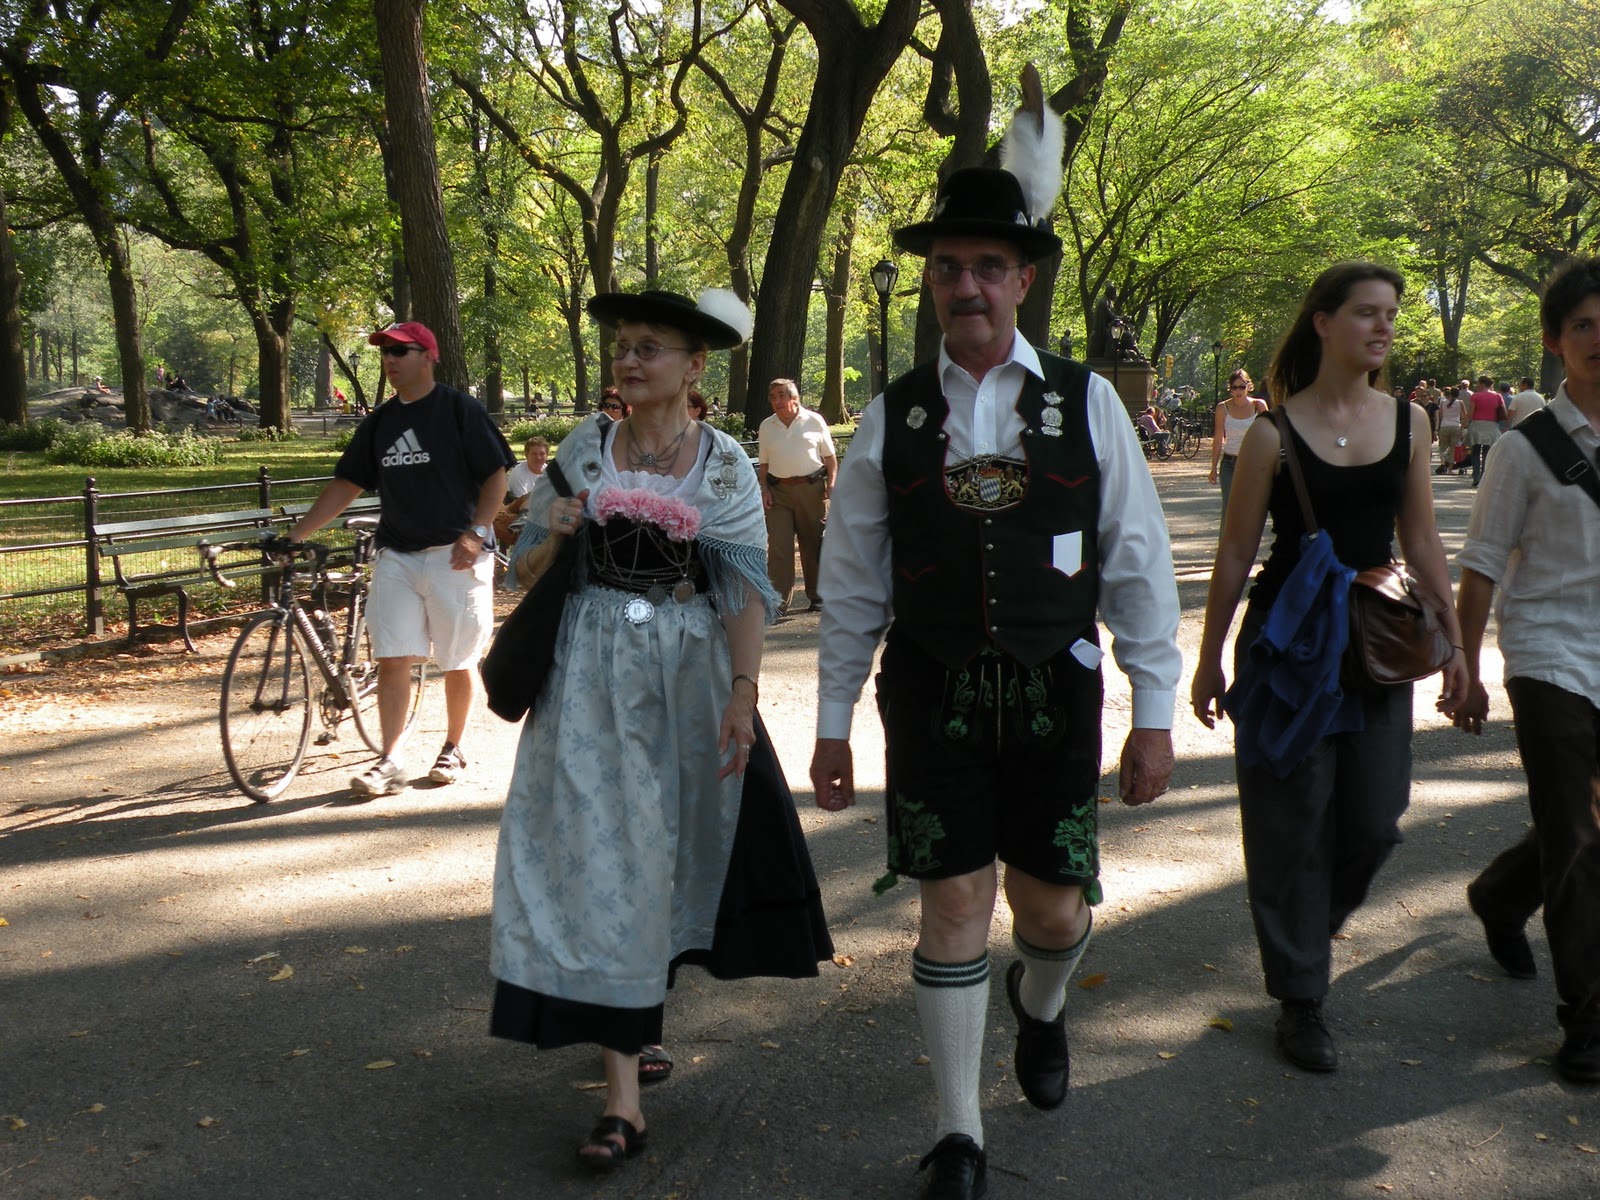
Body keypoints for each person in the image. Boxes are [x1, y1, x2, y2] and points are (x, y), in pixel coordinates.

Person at [810, 99, 1182, 1200]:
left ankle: (1044, 1002)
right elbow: (849, 585)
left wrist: (1153, 707)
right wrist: (829, 726)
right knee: (955, 899)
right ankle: (958, 1133)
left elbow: (1136, 563)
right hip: (929, 691)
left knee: (1053, 910)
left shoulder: (1085, 404)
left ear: (1023, 279)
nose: (963, 286)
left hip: (1056, 689)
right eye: (946, 269)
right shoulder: (893, 417)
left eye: (986, 266)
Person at [493, 287, 831, 1170]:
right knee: (605, 852)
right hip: (586, 676)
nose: (630, 360)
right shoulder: (579, 449)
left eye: (650, 347)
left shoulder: (721, 464)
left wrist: (744, 695)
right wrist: (554, 534)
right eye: (623, 346)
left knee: (666, 856)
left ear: (693, 367)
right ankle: (622, 1102)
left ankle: (637, 1006)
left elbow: (746, 591)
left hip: (686, 678)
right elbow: (521, 570)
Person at [1190, 262, 1468, 1074]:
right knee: (1287, 822)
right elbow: (1237, 552)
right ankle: (1301, 997)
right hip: (1287, 645)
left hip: (1375, 641)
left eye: (1390, 315)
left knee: (1376, 817)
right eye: (1365, 314)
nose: (1383, 328)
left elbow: (1420, 541)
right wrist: (1209, 660)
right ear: (1322, 322)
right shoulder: (1273, 434)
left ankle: (1308, 928)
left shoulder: (1409, 423)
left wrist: (1451, 642)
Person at [1452, 257, 1600, 1084]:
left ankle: (1503, 896)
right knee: (1581, 832)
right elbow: (1480, 565)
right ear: (1557, 341)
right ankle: (1587, 1020)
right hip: (1550, 656)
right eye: (1583, 324)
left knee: (1576, 823)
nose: (1598, 338)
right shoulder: (1524, 448)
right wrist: (1467, 670)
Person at [288, 321, 514, 795]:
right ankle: (389, 760)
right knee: (392, 658)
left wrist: (477, 533)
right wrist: (297, 533)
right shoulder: (382, 422)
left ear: (429, 356)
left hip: (456, 555)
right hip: (398, 555)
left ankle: (453, 748)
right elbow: (347, 484)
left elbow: (496, 475)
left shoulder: (458, 410)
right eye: (385, 352)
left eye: (400, 351)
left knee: (457, 660)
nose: (390, 360)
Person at [757, 378, 837, 616]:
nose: (777, 401)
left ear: (794, 398)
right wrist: (764, 489)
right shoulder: (767, 426)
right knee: (779, 546)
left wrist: (832, 484)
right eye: (772, 397)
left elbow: (831, 460)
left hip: (811, 489)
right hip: (778, 491)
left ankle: (817, 595)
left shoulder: (814, 421)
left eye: (781, 395)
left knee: (812, 543)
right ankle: (777, 601)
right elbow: (763, 465)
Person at [1208, 369, 1269, 525]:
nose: (1238, 391)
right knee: (1229, 508)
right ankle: (1225, 547)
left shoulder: (1259, 405)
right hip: (1230, 463)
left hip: (1251, 463)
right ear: (1230, 389)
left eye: (1242, 386)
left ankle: (1246, 548)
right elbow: (1218, 438)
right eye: (1234, 387)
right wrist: (1213, 467)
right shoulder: (1223, 408)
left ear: (1249, 386)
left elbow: (1268, 435)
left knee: (1250, 508)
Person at [493, 436, 549, 547]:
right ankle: (523, 522)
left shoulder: (548, 472)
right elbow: (519, 499)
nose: (538, 457)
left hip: (543, 510)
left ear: (547, 455)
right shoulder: (519, 472)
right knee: (534, 494)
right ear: (526, 455)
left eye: (542, 454)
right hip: (518, 508)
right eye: (534, 454)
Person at [1465, 374, 1506, 486]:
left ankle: (1476, 477)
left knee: (1475, 452)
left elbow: (1470, 413)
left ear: (1482, 384)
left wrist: (1463, 425)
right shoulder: (1497, 396)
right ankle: (1484, 476)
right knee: (1487, 453)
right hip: (1491, 426)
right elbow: (1503, 412)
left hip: (1477, 425)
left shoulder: (1475, 396)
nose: (1476, 385)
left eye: (1478, 383)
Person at [1435, 384, 1466, 474]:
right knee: (1452, 448)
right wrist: (1463, 427)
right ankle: (1449, 470)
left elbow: (1440, 416)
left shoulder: (1443, 402)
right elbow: (1464, 416)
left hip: (1444, 426)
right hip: (1455, 426)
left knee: (1442, 447)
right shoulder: (1460, 403)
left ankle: (1442, 463)